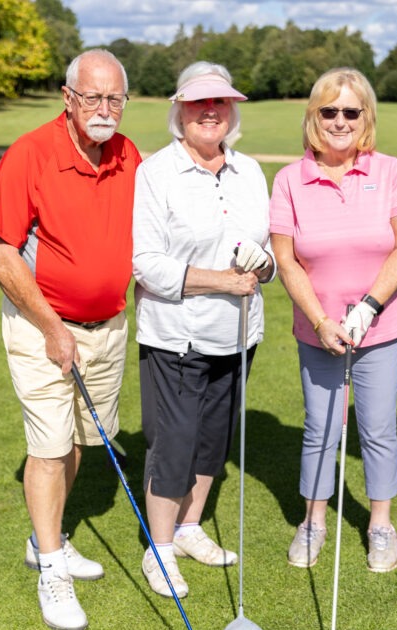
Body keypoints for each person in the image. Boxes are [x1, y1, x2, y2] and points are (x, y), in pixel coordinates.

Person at [0, 49, 141, 630]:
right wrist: (52, 328)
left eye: (114, 99)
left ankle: (43, 538)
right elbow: (0, 252)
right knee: (49, 445)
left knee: (76, 441)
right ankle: (52, 565)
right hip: (42, 326)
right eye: (93, 97)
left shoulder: (128, 154)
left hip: (107, 328)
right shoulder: (31, 153)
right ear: (68, 99)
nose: (104, 109)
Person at [269, 68, 397, 573]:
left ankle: (380, 524)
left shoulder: (391, 171)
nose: (339, 121)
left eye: (350, 111)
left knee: (377, 428)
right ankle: (313, 521)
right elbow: (286, 259)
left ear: (366, 117)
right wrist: (319, 320)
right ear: (314, 116)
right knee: (320, 428)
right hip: (318, 330)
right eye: (328, 111)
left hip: (379, 327)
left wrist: (368, 308)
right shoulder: (291, 179)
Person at [132, 62, 274, 598]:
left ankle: (190, 528)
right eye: (198, 103)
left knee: (214, 439)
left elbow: (270, 256)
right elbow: (145, 263)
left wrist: (263, 268)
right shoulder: (156, 173)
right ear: (180, 110)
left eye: (220, 103)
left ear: (231, 111)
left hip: (238, 333)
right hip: (176, 334)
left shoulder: (251, 172)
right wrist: (222, 281)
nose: (210, 111)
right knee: (175, 441)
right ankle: (160, 548)